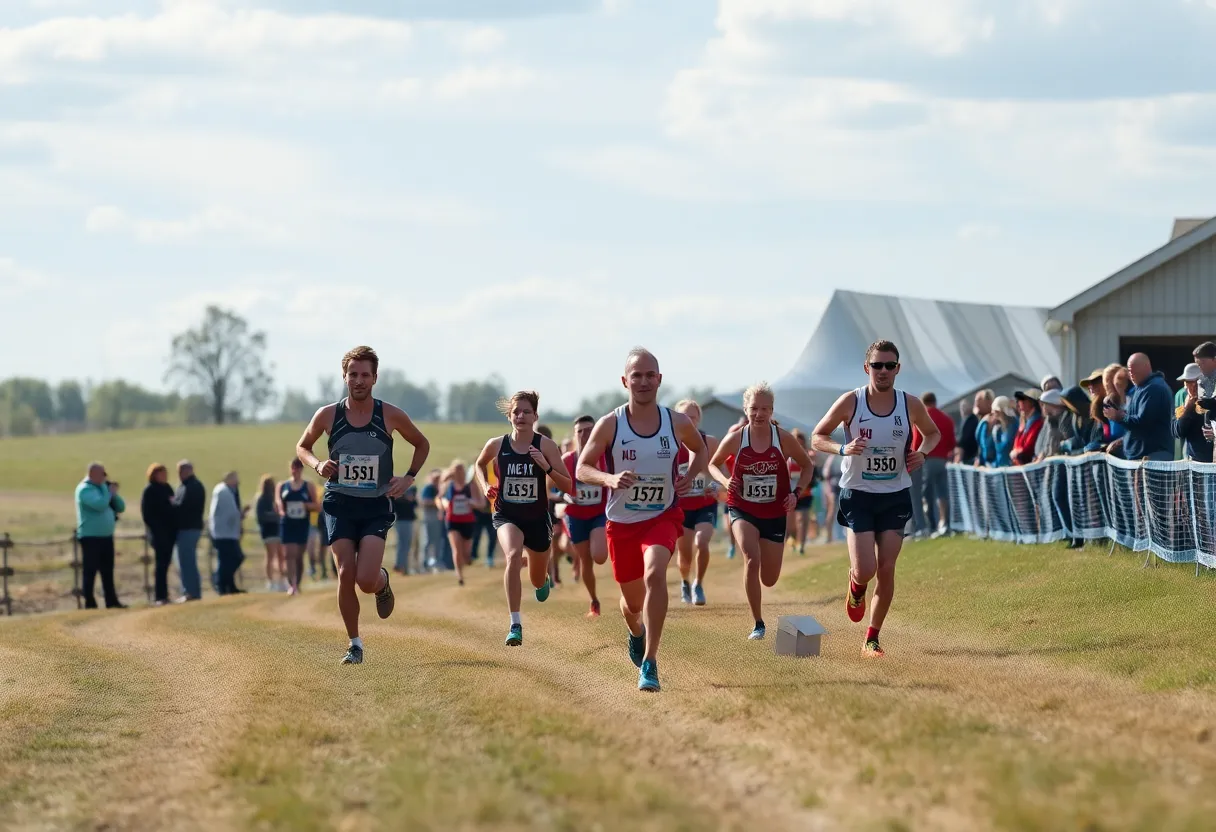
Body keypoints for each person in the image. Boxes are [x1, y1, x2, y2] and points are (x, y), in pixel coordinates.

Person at [576, 347, 708, 692]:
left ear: (660, 380)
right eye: (637, 376)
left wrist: (690, 475)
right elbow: (582, 468)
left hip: (662, 515)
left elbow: (701, 449)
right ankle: (636, 631)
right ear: (625, 381)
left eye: (650, 375)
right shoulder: (610, 424)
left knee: (655, 574)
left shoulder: (676, 422)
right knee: (633, 604)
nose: (644, 381)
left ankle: (650, 662)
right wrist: (609, 478)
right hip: (621, 524)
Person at [296, 345, 431, 665]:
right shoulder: (328, 414)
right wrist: (317, 464)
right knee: (345, 572)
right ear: (344, 377)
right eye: (353, 374)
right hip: (339, 502)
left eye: (365, 375)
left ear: (375, 378)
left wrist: (408, 478)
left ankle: (381, 582)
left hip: (375, 505)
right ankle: (354, 644)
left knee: (365, 580)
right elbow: (303, 447)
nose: (359, 380)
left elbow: (421, 444)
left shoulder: (390, 414)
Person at [811, 339, 940, 658]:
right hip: (858, 495)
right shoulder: (851, 401)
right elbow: (817, 436)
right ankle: (856, 585)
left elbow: (933, 433)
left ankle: (872, 638)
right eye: (877, 365)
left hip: (895, 494)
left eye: (889, 365)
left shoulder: (909, 404)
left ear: (897, 369)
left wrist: (922, 453)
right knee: (866, 569)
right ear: (866, 368)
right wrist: (843, 448)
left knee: (887, 567)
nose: (883, 371)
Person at [710, 383, 814, 639]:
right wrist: (725, 481)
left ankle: (760, 610)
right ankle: (758, 623)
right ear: (746, 409)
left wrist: (796, 493)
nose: (759, 414)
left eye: (765, 409)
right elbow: (713, 464)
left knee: (769, 578)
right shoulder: (736, 438)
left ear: (772, 411)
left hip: (774, 511)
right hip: (742, 507)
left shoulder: (783, 438)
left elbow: (807, 465)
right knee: (751, 557)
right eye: (754, 408)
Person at [474, 391, 572, 646]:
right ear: (509, 416)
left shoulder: (546, 446)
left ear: (535, 416)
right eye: (516, 412)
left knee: (537, 579)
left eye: (526, 412)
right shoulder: (497, 445)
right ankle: (515, 624)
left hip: (537, 519)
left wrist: (546, 467)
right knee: (513, 555)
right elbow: (479, 464)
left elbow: (568, 485)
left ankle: (543, 579)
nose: (521, 416)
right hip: (507, 515)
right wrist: (485, 485)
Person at [672, 400, 720, 605]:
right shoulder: (670, 444)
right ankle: (685, 581)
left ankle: (698, 584)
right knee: (684, 556)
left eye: (692, 417)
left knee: (702, 542)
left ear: (699, 419)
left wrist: (715, 485)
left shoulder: (710, 442)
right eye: (684, 416)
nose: (689, 420)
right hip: (681, 507)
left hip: (705, 504)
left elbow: (720, 471)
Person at [563, 414, 610, 617]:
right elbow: (550, 487)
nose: (584, 434)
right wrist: (564, 496)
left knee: (599, 556)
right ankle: (594, 601)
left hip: (599, 513)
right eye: (580, 431)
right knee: (585, 560)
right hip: (576, 515)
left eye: (589, 430)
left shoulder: (606, 457)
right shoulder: (567, 460)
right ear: (575, 435)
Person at [75, 462, 127, 610]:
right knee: (90, 570)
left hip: (106, 536)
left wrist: (114, 494)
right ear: (92, 474)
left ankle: (111, 601)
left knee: (107, 570)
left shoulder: (103, 489)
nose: (105, 477)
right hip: (90, 537)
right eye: (102, 474)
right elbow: (100, 505)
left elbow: (121, 507)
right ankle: (90, 602)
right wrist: (107, 490)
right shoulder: (85, 489)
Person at [1105, 353, 1174, 462]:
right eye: (1129, 370)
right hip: (1141, 457)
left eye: (1133, 370)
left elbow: (1143, 424)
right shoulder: (1141, 388)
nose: (1131, 374)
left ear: (1146, 366)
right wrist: (1123, 440)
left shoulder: (1153, 388)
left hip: (1152, 457)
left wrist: (1119, 416)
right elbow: (1137, 426)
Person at [913, 392, 956, 537]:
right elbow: (952, 443)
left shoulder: (922, 418)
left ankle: (930, 526)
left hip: (927, 460)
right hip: (942, 460)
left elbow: (917, 441)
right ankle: (944, 524)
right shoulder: (947, 418)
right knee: (943, 493)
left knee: (926, 494)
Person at [278, 459, 320, 596]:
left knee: (298, 556)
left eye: (297, 468)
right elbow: (278, 503)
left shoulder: (308, 486)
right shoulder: (283, 486)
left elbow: (317, 506)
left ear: (301, 470)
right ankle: (292, 585)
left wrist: (305, 505)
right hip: (287, 524)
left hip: (302, 524)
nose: (294, 471)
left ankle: (298, 583)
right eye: (292, 468)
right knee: (289, 554)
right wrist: (282, 511)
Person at [439, 461, 482, 586]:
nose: (458, 473)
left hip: (468, 521)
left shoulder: (471, 485)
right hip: (452, 521)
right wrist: (444, 504)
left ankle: (465, 561)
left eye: (460, 470)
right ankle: (459, 575)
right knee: (456, 549)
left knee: (466, 554)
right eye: (456, 470)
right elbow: (439, 498)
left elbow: (481, 503)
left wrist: (471, 503)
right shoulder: (448, 485)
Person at [141, 463, 178, 606]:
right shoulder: (149, 490)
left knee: (166, 563)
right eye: (161, 474)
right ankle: (159, 596)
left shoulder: (167, 488)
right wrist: (157, 529)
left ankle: (165, 594)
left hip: (170, 532)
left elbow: (173, 505)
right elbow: (147, 514)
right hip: (158, 533)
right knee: (160, 565)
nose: (164, 476)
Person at [172, 460, 205, 602]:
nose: (179, 474)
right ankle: (192, 591)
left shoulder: (191, 487)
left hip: (188, 528)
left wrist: (172, 503)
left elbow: (183, 507)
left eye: (181, 471)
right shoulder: (190, 485)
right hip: (191, 528)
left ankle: (190, 592)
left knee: (186, 561)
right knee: (187, 560)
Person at [208, 472, 246, 595]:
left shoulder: (225, 491)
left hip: (225, 532)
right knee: (232, 558)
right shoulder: (223, 492)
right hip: (224, 532)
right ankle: (221, 584)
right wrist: (241, 514)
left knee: (227, 559)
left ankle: (229, 585)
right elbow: (231, 513)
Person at [786, 429, 820, 554]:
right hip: (789, 494)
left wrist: (813, 462)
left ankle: (802, 545)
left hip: (804, 493)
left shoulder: (808, 455)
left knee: (803, 520)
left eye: (800, 443)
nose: (798, 446)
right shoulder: (786, 456)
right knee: (791, 524)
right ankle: (793, 541)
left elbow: (814, 472)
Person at [1175, 363, 1214, 463]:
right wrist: (1188, 408)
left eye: (1196, 383)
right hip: (1195, 462)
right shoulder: (1185, 401)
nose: (1192, 387)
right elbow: (1178, 431)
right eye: (1188, 383)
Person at [254, 475, 284, 591]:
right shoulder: (261, 499)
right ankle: (270, 581)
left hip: (278, 530)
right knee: (271, 555)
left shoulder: (276, 498)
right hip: (268, 531)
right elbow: (261, 516)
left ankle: (281, 579)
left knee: (281, 555)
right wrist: (275, 516)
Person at [418, 469, 444, 572]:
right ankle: (424, 563)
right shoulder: (428, 488)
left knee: (436, 541)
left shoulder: (439, 488)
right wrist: (437, 502)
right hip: (429, 517)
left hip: (437, 518)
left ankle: (435, 562)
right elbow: (424, 502)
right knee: (427, 541)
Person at [1011, 390, 1044, 466]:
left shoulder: (1038, 423)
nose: (1019, 403)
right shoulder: (1026, 423)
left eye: (1023, 400)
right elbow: (1016, 446)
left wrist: (1017, 452)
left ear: (1032, 402)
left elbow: (1028, 449)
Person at [392, 481, 419, 574]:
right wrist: (405, 497)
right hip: (401, 521)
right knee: (403, 544)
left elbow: (415, 503)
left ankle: (404, 566)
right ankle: (400, 566)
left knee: (406, 545)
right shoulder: (397, 495)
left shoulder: (409, 493)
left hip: (407, 521)